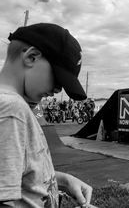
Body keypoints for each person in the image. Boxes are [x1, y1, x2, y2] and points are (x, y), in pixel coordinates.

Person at [0, 23, 94, 207]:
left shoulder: (14, 107)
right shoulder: (11, 110)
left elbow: (16, 178)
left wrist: (62, 180)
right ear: (31, 57)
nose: (58, 90)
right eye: (58, 78)